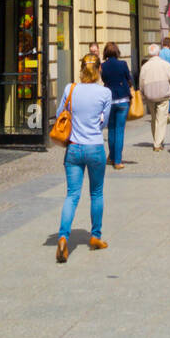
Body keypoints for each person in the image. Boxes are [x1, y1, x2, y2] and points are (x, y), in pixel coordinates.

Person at [55, 53, 112, 262]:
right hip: (95, 147)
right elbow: (104, 123)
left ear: (81, 69)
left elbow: (60, 113)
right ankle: (96, 237)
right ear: (98, 70)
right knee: (96, 193)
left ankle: (63, 237)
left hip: (74, 148)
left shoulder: (70, 89)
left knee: (72, 195)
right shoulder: (105, 93)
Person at [100, 42, 132, 169]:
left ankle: (112, 157)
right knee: (120, 130)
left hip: (109, 100)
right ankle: (118, 161)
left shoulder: (103, 66)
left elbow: (104, 79)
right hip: (123, 100)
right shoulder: (122, 64)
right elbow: (129, 78)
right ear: (117, 52)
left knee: (111, 130)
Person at [138, 44, 170, 150]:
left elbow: (141, 83)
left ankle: (156, 140)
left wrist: (142, 95)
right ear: (158, 53)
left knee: (154, 118)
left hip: (150, 95)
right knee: (161, 119)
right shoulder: (165, 64)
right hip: (163, 95)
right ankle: (157, 143)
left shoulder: (145, 66)